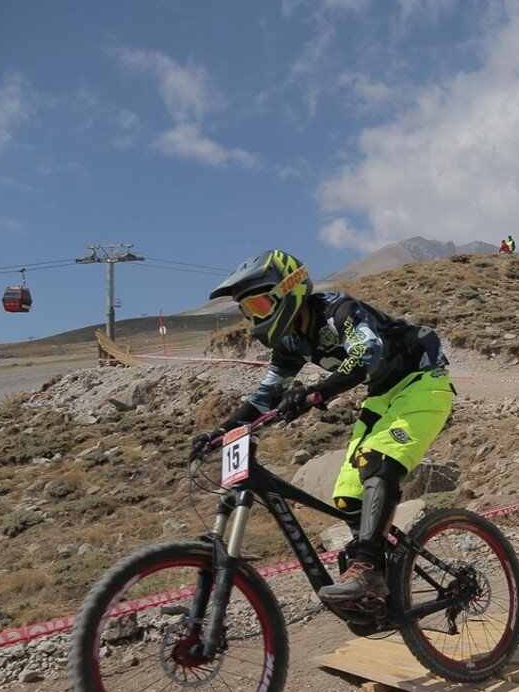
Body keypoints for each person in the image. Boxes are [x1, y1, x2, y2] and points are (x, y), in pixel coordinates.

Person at [193, 250, 454, 602]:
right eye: (249, 310)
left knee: (378, 463)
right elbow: (263, 398)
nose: (257, 317)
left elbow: (365, 354)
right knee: (347, 496)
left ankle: (369, 569)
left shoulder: (339, 311)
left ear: (289, 290)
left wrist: (314, 393)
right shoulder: (289, 344)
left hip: (423, 381)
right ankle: (382, 568)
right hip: (382, 396)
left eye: (260, 305)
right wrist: (220, 432)